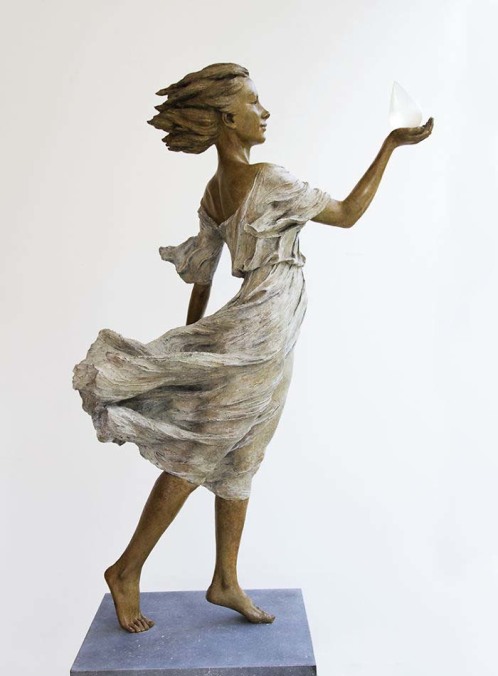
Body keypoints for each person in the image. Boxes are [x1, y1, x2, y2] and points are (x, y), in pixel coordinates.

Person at [73, 63, 433, 633]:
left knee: (242, 456)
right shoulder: (268, 178)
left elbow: (202, 277)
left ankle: (226, 579)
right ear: (226, 117)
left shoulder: (215, 191)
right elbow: (347, 213)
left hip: (265, 332)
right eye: (254, 103)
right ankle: (126, 569)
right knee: (198, 453)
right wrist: (390, 145)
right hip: (259, 333)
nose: (265, 113)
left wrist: (189, 353)